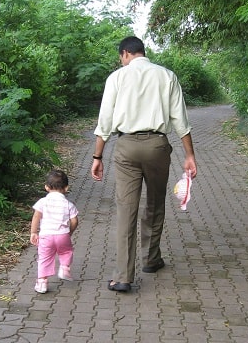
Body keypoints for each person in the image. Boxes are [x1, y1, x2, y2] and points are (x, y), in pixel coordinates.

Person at [91, 36, 197, 292]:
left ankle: (124, 276)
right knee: (155, 202)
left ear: (125, 53)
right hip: (157, 146)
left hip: (126, 147)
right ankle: (151, 259)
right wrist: (190, 155)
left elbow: (105, 121)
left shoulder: (117, 77)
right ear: (142, 52)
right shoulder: (167, 76)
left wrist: (97, 157)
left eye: (121, 57)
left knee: (126, 209)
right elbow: (180, 119)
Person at [30, 169, 79, 294]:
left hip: (46, 235)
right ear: (66, 188)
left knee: (44, 258)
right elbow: (74, 221)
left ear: (46, 187)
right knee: (66, 251)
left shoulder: (42, 202)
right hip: (62, 235)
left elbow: (36, 216)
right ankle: (64, 268)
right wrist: (69, 232)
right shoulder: (68, 204)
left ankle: (42, 283)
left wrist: (34, 232)